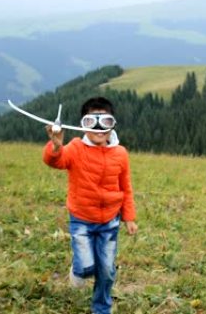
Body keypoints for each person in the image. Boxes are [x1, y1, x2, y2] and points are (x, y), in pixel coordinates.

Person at [43, 97, 137, 314]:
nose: (98, 128)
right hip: (82, 220)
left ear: (112, 123)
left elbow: (126, 186)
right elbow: (55, 161)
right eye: (90, 122)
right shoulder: (75, 148)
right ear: (81, 125)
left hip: (110, 221)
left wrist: (129, 217)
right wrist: (56, 146)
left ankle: (101, 309)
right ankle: (78, 270)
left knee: (106, 270)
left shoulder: (120, 153)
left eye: (105, 121)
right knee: (86, 268)